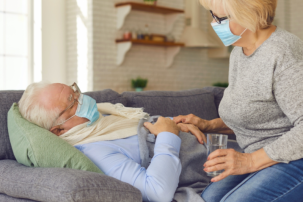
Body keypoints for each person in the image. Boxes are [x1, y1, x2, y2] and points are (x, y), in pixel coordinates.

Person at [157, 0, 303, 201]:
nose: (214, 24)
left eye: (221, 18)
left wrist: (249, 161)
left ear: (248, 14)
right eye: (212, 15)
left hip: (294, 158)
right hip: (261, 156)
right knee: (207, 199)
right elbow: (256, 114)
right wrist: (207, 125)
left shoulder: (283, 52)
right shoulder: (238, 53)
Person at [18, 82, 211, 202]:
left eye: (75, 91)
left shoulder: (105, 120)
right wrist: (168, 136)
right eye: (72, 102)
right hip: (215, 169)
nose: (82, 98)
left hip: (213, 145)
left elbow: (147, 127)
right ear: (58, 129)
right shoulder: (95, 151)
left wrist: (174, 124)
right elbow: (156, 193)